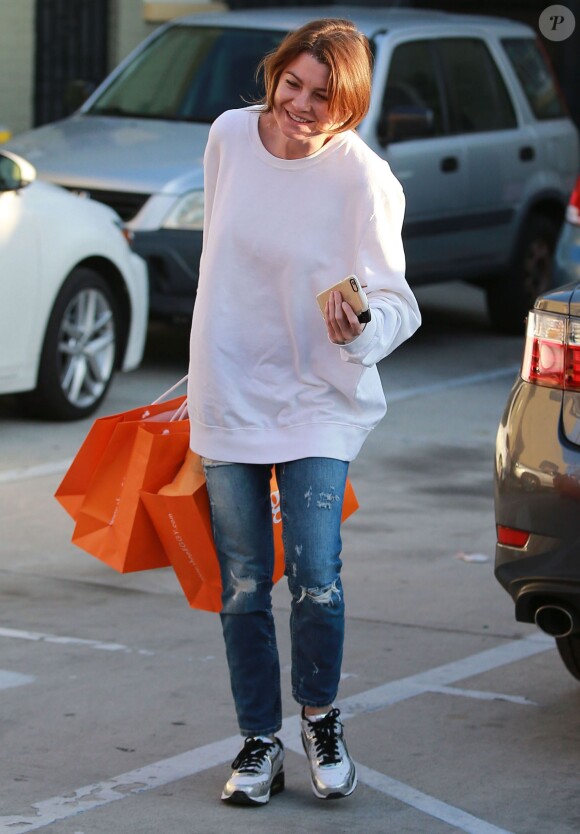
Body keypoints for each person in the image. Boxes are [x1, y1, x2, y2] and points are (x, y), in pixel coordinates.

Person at [186, 17, 421, 806]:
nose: (303, 105)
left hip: (319, 396)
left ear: (349, 102)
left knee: (315, 575)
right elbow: (223, 261)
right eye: (293, 84)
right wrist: (198, 371)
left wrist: (363, 327)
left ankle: (320, 719)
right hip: (230, 390)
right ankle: (259, 742)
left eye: (325, 96)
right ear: (275, 74)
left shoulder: (363, 177)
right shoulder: (227, 137)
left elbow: (397, 302)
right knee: (245, 581)